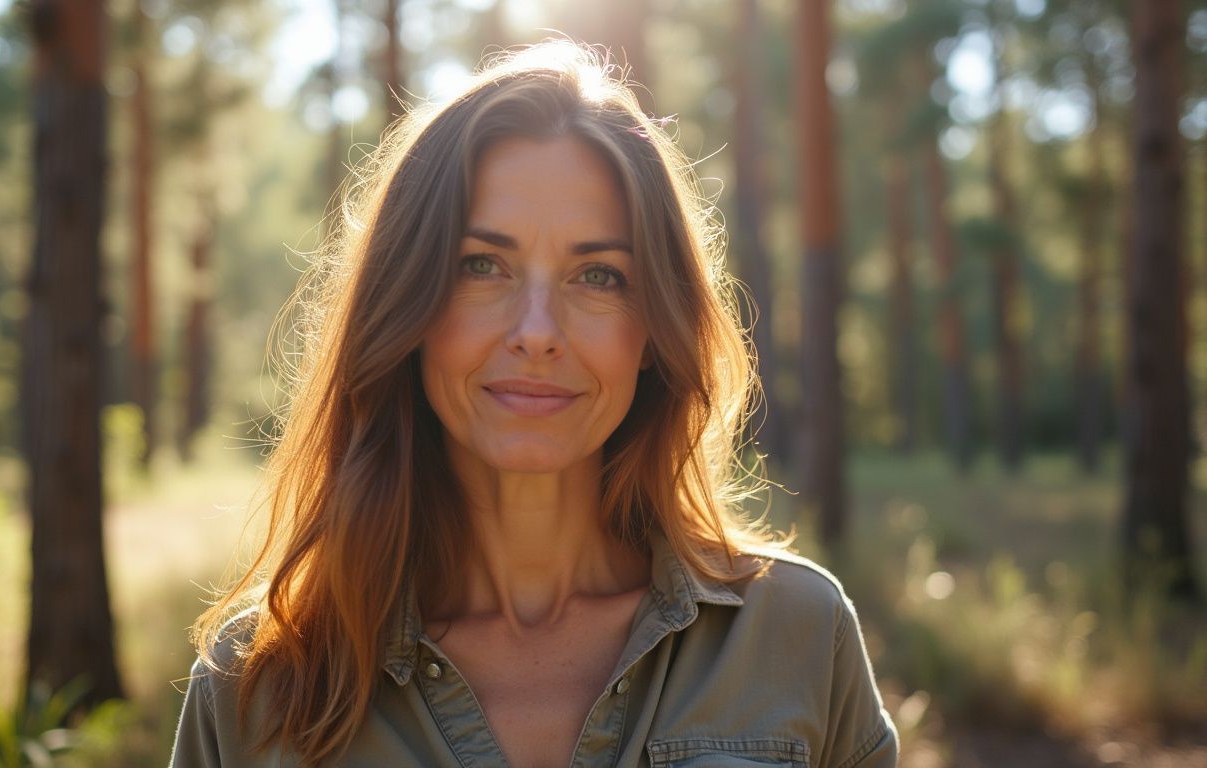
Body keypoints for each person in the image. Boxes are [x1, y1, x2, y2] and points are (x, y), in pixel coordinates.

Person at [170, 41, 897, 768]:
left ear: (654, 330)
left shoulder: (796, 634)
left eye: (599, 276)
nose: (538, 334)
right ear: (407, 308)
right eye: (482, 266)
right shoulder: (257, 683)